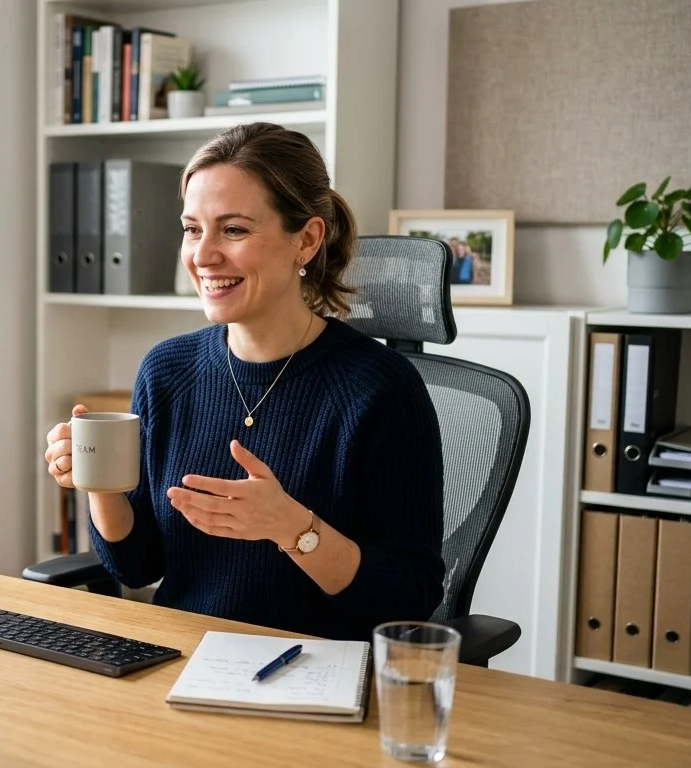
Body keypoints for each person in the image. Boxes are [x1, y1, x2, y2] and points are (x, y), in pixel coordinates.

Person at [42, 122, 445, 642]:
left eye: (233, 230)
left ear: (306, 240)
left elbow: (411, 598)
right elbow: (136, 567)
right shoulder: (166, 370)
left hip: (316, 671)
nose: (203, 256)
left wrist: (291, 528)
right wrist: (99, 484)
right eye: (192, 229)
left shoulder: (381, 388)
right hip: (181, 657)